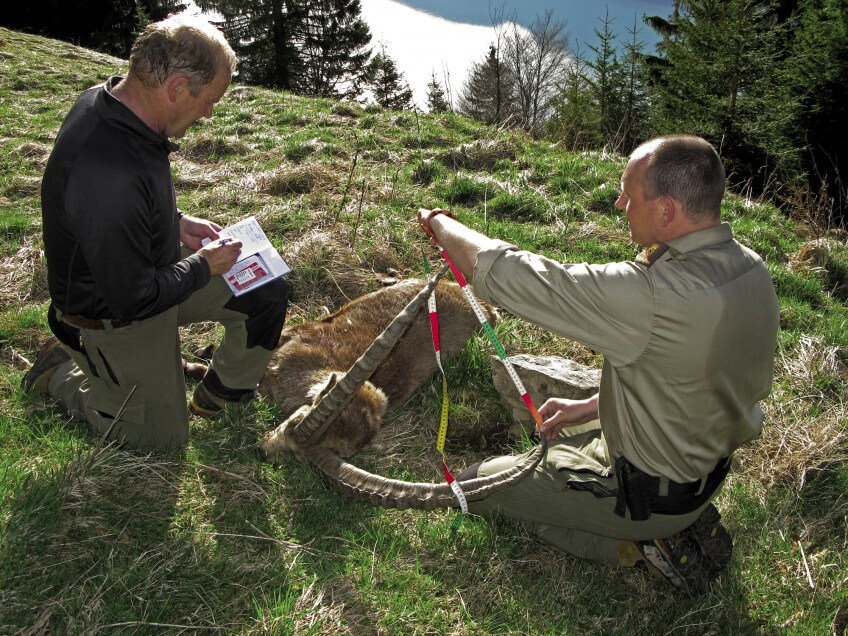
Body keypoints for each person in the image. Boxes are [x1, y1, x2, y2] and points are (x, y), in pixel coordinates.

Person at [417, 135, 779, 593]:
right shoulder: (751, 268)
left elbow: (515, 274)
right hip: (703, 469)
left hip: (646, 495)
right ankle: (668, 523)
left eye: (629, 195)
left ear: (666, 210)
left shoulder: (653, 295)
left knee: (474, 487)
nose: (619, 204)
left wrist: (440, 224)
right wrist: (588, 407)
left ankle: (641, 544)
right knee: (554, 445)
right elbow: (687, 377)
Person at [22, 13, 289, 452]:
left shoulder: (116, 107)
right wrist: (204, 266)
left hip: (150, 274)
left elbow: (128, 206)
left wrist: (176, 222)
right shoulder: (110, 173)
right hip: (113, 317)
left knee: (266, 285)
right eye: (209, 100)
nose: (209, 113)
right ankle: (63, 371)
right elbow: (134, 298)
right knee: (158, 440)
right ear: (177, 88)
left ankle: (222, 394)